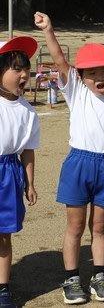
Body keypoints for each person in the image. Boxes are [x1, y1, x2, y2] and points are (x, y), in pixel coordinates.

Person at [35, 12, 104, 304]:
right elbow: (59, 60)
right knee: (75, 226)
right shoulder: (77, 93)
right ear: (80, 77)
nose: (99, 77)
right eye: (91, 73)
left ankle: (100, 275)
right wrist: (49, 30)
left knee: (100, 227)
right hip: (78, 163)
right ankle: (71, 278)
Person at [0, 36, 39, 307]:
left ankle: (2, 288)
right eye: (16, 68)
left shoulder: (28, 112)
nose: (23, 74)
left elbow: (27, 150)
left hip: (9, 173)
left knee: (3, 234)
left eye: (26, 69)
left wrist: (30, 183)